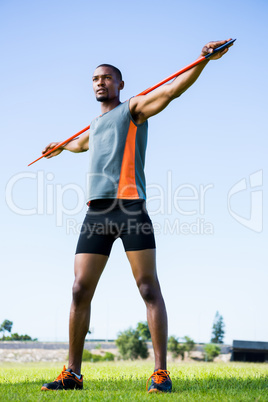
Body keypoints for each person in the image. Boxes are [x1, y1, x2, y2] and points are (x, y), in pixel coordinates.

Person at [41, 39, 232, 393]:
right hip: (96, 212)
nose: (100, 82)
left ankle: (161, 373)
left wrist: (203, 60)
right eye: (96, 78)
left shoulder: (134, 109)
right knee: (80, 289)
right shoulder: (92, 127)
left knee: (148, 287)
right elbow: (81, 144)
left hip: (130, 208)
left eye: (108, 78)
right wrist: (59, 147)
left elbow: (172, 91)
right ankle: (73, 374)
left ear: (120, 84)